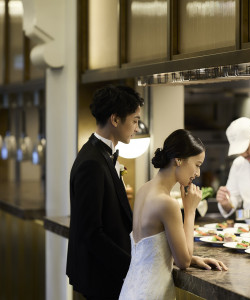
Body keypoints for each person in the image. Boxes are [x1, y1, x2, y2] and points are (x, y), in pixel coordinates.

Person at [119, 129, 228, 300]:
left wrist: (194, 259)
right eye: (197, 165)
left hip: (130, 290)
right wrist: (190, 210)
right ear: (178, 160)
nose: (198, 173)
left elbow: (154, 249)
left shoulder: (143, 190)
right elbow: (183, 262)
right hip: (152, 293)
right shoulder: (167, 203)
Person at [66, 85, 144, 300]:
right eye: (135, 120)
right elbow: (91, 232)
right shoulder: (92, 162)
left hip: (105, 271)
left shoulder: (101, 154)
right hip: (100, 274)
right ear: (115, 119)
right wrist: (132, 267)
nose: (137, 128)